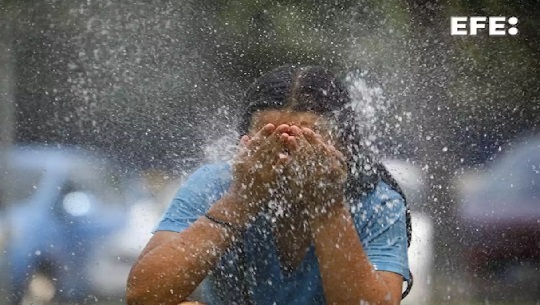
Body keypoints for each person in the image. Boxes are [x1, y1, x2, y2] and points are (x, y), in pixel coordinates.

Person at [127, 65, 410, 305]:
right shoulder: (216, 184)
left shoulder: (376, 203)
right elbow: (143, 295)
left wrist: (327, 207)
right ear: (244, 142)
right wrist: (240, 200)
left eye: (307, 139)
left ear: (342, 145)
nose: (285, 156)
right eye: (269, 137)